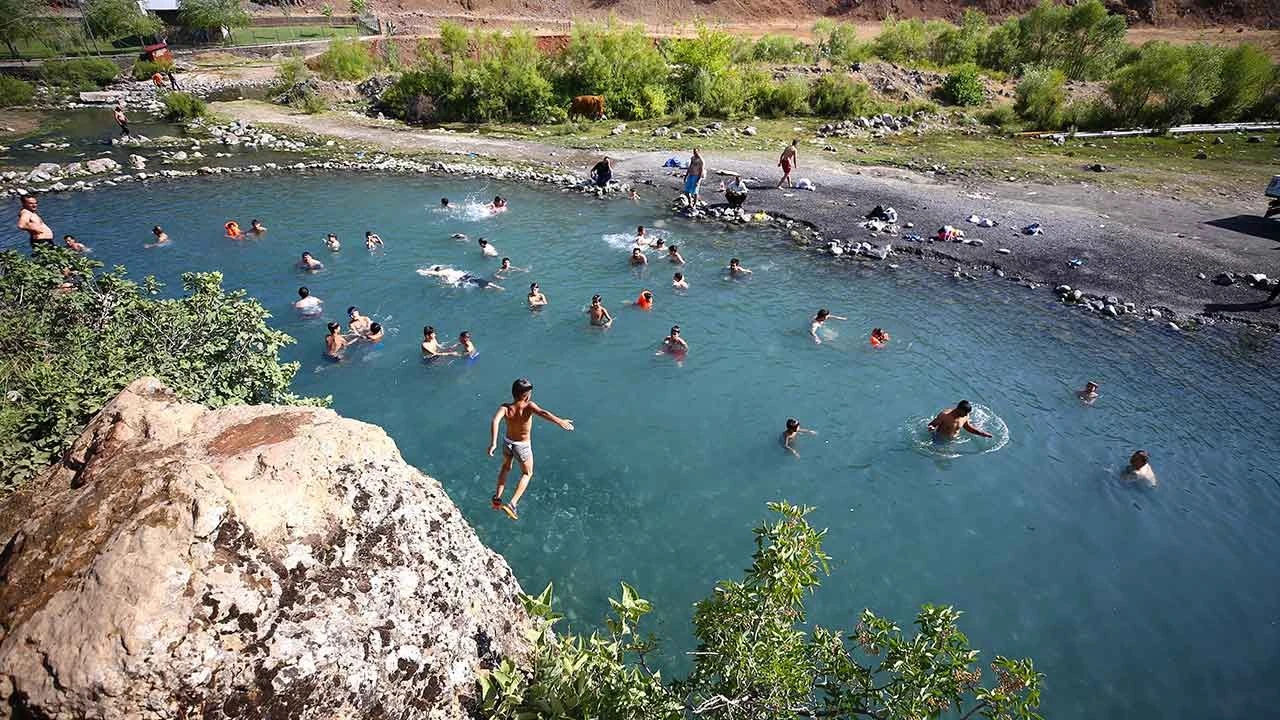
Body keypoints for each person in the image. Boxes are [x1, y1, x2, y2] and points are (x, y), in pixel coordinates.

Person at [487, 378, 575, 520]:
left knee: (506, 467)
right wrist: (560, 421)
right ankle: (512, 504)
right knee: (527, 473)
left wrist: (493, 443)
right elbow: (544, 413)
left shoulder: (505, 408)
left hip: (507, 443)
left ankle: (497, 498)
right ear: (527, 395)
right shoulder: (529, 406)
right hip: (522, 446)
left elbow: (495, 421)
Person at [927, 400, 993, 440]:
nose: (966, 415)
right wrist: (931, 427)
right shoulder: (945, 415)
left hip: (953, 439)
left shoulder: (965, 416)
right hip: (939, 438)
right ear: (959, 409)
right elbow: (932, 424)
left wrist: (982, 433)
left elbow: (968, 427)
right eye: (965, 412)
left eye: (967, 413)